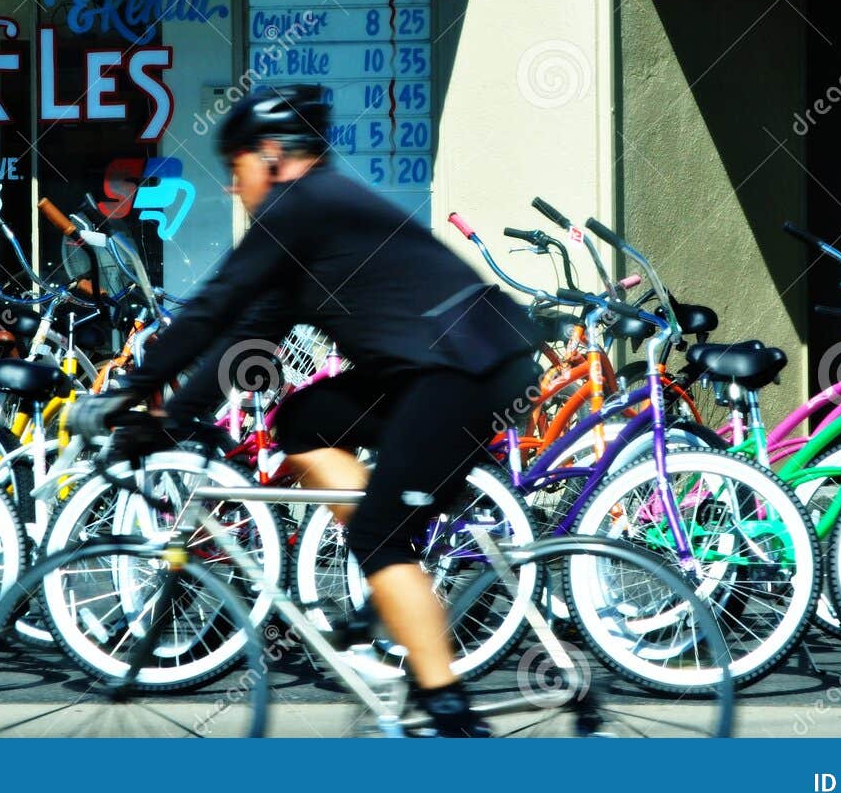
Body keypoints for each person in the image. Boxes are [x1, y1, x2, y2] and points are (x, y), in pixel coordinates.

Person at [111, 84, 539, 736]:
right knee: (304, 419)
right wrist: (174, 418)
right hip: (443, 364)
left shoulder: (300, 205)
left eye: (237, 169)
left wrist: (120, 393)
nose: (233, 187)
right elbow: (249, 336)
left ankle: (451, 714)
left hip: (465, 370)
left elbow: (212, 306)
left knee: (378, 536)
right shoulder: (315, 217)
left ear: (273, 157)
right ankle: (388, 564)